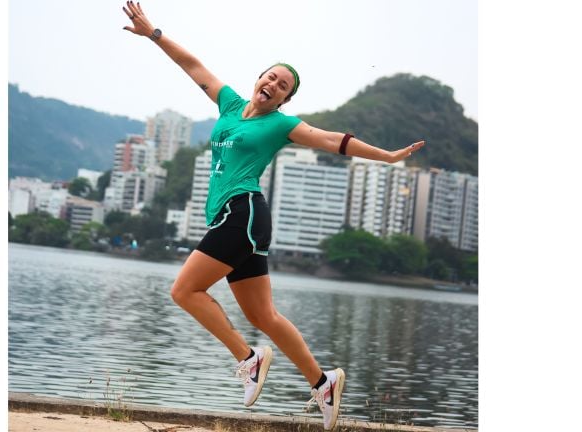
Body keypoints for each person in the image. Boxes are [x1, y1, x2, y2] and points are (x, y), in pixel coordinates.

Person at [122, 2, 425, 430]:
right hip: (239, 220)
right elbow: (192, 65)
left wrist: (387, 157)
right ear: (259, 79)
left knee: (184, 291)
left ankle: (248, 357)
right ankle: (322, 383)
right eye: (271, 77)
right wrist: (153, 34)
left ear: (286, 98)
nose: (273, 85)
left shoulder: (282, 124)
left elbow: (330, 138)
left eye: (283, 86)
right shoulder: (229, 105)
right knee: (264, 316)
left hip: (241, 213)